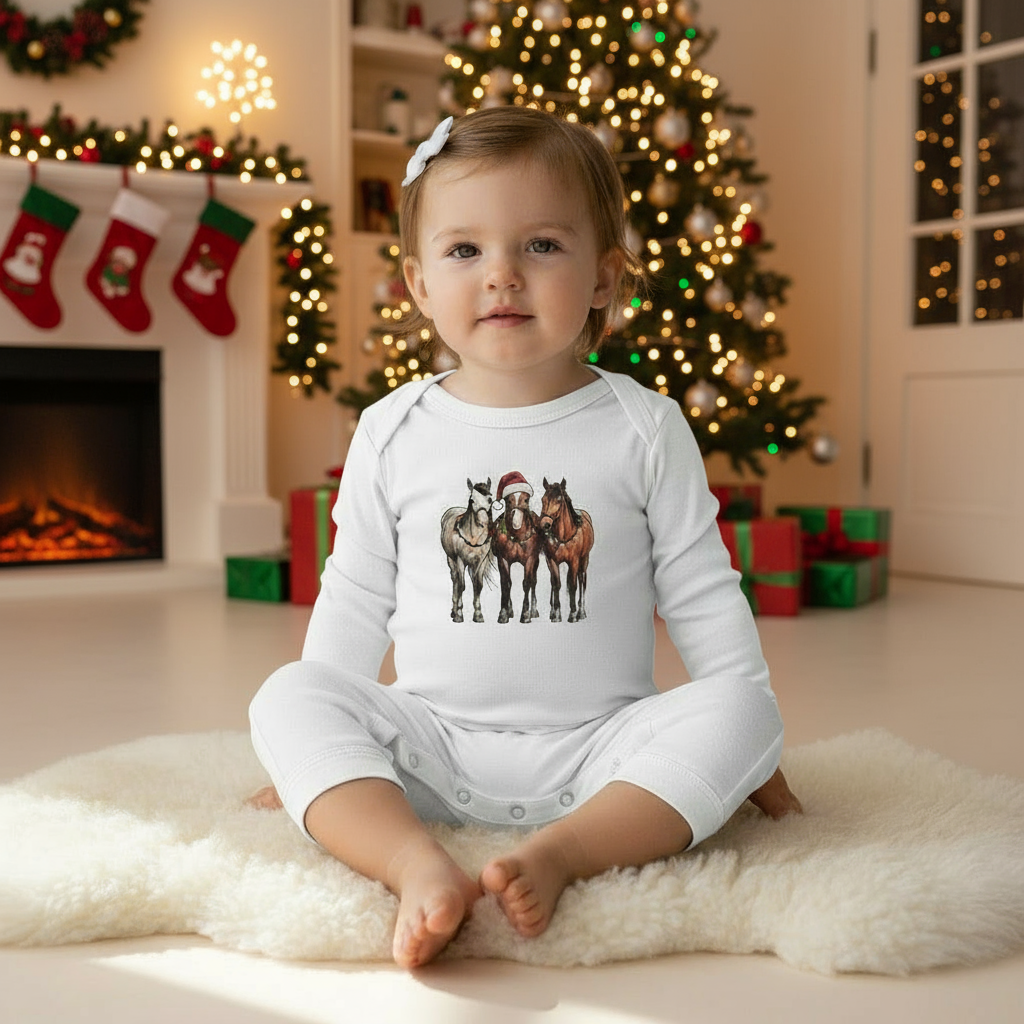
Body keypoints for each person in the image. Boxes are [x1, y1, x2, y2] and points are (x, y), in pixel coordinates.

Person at [248, 106, 802, 971]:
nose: (501, 275)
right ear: (421, 285)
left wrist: (752, 749)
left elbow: (700, 590)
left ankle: (566, 852)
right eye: (464, 251)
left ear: (604, 277)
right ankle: (410, 859)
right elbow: (356, 593)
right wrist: (319, 763)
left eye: (541, 246)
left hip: (604, 748)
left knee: (742, 709)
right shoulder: (392, 428)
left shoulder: (643, 427)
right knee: (289, 696)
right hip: (430, 746)